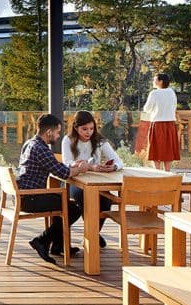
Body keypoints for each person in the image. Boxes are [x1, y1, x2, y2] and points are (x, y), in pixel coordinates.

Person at [17, 114, 88, 264]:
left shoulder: (30, 143)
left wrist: (72, 166)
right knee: (74, 208)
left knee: (60, 200)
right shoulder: (42, 149)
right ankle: (42, 240)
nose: (58, 135)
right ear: (49, 132)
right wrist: (82, 168)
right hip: (31, 199)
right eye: (57, 132)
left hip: (23, 196)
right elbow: (63, 173)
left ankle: (58, 245)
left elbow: (56, 167)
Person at [61, 111, 121, 248]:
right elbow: (66, 163)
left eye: (91, 128)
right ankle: (92, 234)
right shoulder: (68, 140)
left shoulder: (99, 141)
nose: (89, 132)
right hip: (74, 182)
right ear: (76, 128)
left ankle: (92, 233)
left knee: (106, 200)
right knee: (83, 197)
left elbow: (118, 161)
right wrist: (86, 166)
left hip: (96, 183)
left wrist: (114, 167)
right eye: (84, 129)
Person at [143, 73, 179, 171]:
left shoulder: (154, 93)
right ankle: (167, 172)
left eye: (155, 80)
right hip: (170, 124)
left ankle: (157, 172)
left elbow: (147, 108)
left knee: (155, 148)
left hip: (158, 124)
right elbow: (174, 106)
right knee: (168, 148)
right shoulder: (172, 92)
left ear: (160, 81)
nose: (153, 82)